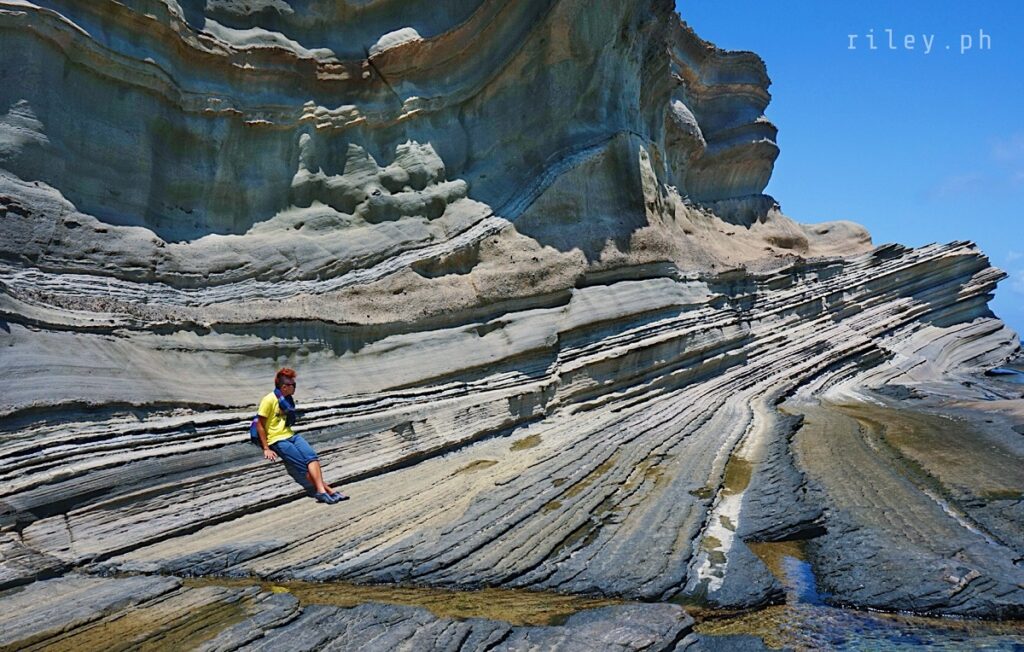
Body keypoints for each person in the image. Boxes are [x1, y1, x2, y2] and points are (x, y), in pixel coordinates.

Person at [250, 368, 348, 504]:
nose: (295, 387)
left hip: (291, 434)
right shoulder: (269, 400)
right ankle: (328, 491)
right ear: (284, 387)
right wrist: (266, 448)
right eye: (293, 385)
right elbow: (260, 424)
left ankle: (322, 492)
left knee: (312, 457)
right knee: (303, 465)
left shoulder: (287, 399)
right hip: (277, 439)